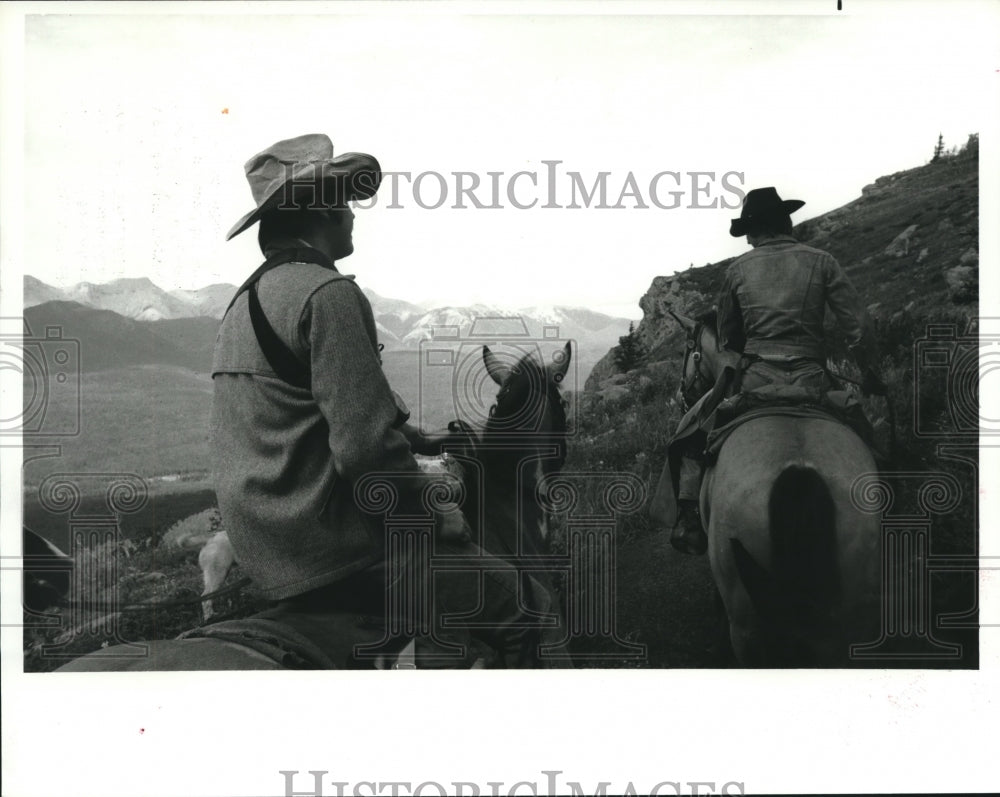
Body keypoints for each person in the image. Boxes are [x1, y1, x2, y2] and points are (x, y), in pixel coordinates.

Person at [211, 133, 560, 667]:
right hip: (336, 550)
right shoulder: (328, 295)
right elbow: (364, 451)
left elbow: (305, 409)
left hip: (268, 547)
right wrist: (433, 515)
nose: (353, 215)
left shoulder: (245, 302)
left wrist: (418, 437)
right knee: (526, 612)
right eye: (345, 203)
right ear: (323, 211)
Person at [667, 186, 886, 555]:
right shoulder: (823, 261)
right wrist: (871, 374)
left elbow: (729, 339)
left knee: (689, 433)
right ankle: (892, 511)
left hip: (756, 379)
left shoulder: (738, 270)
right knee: (872, 442)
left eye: (748, 233)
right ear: (786, 222)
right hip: (814, 380)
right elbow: (859, 328)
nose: (748, 241)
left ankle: (689, 518)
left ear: (754, 230)